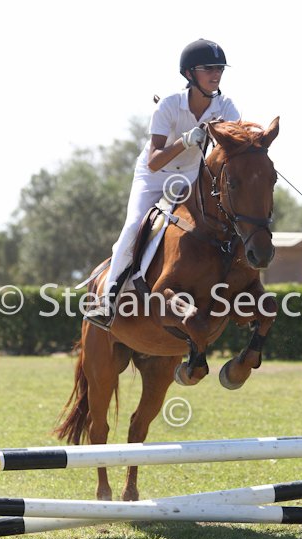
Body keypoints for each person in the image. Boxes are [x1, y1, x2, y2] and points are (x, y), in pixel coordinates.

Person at [85, 39, 241, 329]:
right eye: (208, 68)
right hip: (154, 176)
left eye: (220, 68)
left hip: (191, 176)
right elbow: (154, 161)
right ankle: (106, 301)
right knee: (134, 226)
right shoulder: (169, 105)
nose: (216, 73)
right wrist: (185, 140)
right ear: (189, 74)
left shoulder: (226, 107)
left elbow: (233, 149)